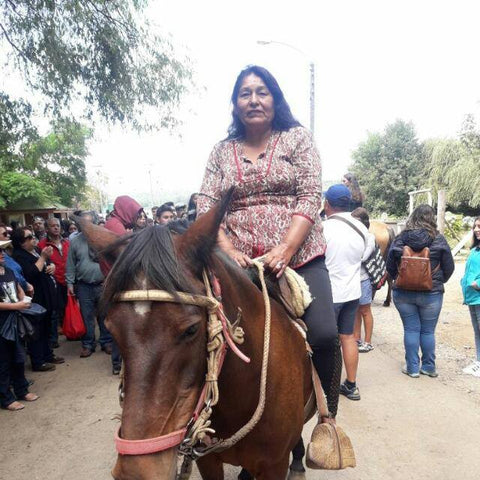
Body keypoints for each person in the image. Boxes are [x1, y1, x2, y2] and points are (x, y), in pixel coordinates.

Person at [197, 65, 341, 419]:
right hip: (236, 265)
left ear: (275, 100)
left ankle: (328, 419)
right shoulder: (220, 152)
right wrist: (229, 252)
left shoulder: (297, 139)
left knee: (324, 335)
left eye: (262, 92)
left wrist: (285, 250)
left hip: (301, 257)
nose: (254, 100)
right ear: (234, 105)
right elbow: (206, 205)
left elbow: (309, 196)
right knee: (201, 333)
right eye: (244, 94)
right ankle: (208, 415)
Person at [387, 205, 454, 378]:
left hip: (403, 293)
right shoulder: (439, 239)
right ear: (431, 218)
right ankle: (429, 367)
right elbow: (449, 267)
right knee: (427, 331)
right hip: (431, 294)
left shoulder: (401, 239)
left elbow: (390, 266)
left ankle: (413, 367)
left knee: (411, 329)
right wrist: (437, 281)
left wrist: (400, 278)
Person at [323, 185, 374, 401]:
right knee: (349, 338)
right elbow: (365, 256)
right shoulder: (363, 229)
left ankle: (326, 386)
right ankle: (351, 385)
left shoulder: (323, 228)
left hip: (328, 294)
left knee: (325, 341)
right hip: (352, 292)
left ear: (327, 204)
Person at [11, 227, 64, 371]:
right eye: (29, 237)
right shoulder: (19, 256)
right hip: (36, 299)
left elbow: (47, 264)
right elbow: (31, 273)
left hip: (46, 297)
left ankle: (48, 355)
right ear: (21, 243)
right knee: (36, 332)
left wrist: (51, 266)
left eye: (33, 236)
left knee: (47, 328)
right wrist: (43, 258)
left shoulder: (35, 251)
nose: (33, 238)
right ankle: (38, 361)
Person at [65, 211, 112, 358]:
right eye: (83, 223)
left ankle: (106, 341)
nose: (86, 226)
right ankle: (88, 344)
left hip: (102, 284)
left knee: (104, 315)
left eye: (89, 222)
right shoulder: (75, 241)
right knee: (87, 317)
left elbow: (111, 261)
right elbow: (71, 264)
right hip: (84, 286)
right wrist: (70, 284)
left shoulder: (102, 239)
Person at [0, 240, 39, 411]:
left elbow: (17, 287)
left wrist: (22, 299)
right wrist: (16, 306)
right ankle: (6, 398)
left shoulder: (7, 270)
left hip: (15, 320)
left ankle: (21, 389)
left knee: (18, 356)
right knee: (4, 361)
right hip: (2, 323)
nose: (2, 254)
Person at [38, 218, 70, 349]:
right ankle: (53, 339)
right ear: (47, 229)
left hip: (68, 280)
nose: (56, 228)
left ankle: (71, 331)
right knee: (54, 312)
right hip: (53, 282)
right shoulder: (42, 245)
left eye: (57, 225)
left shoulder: (67, 242)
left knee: (69, 308)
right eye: (52, 226)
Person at [351, 207, 376, 353]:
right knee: (355, 310)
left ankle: (368, 341)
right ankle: (356, 338)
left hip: (363, 278)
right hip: (353, 278)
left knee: (365, 310)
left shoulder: (369, 237)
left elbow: (363, 258)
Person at [461, 216, 480, 377]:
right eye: (475, 226)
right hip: (472, 297)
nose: (476, 229)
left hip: (478, 294)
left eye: (479, 226)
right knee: (477, 331)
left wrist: (477, 283)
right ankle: (478, 362)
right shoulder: (475, 250)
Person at [0, 224, 34, 296]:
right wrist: (26, 285)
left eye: (8, 233)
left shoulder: (7, 252)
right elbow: (14, 276)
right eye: (5, 234)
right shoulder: (6, 256)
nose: (8, 235)